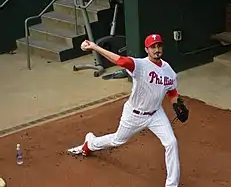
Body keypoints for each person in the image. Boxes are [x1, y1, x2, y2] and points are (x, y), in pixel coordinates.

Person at [67, 34, 188, 187]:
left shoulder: (168, 70)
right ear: (147, 49)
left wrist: (176, 103)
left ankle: (172, 185)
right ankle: (89, 144)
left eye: (159, 46)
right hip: (134, 114)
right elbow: (120, 60)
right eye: (153, 47)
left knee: (171, 142)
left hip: (156, 114)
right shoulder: (140, 65)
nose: (157, 50)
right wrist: (95, 47)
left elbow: (172, 91)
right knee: (118, 140)